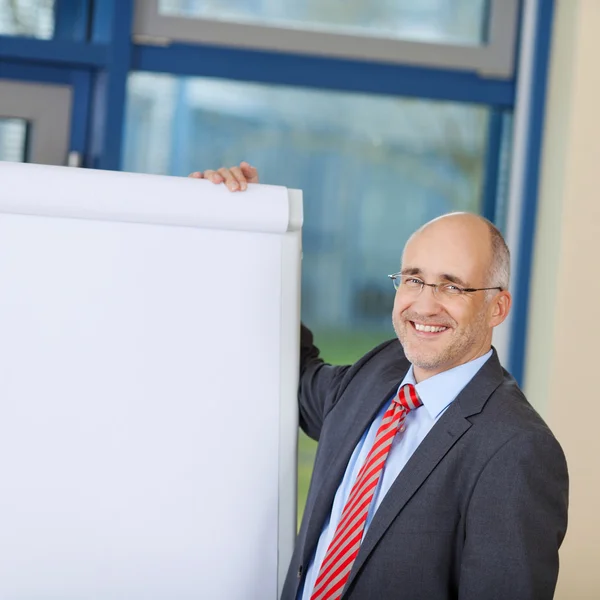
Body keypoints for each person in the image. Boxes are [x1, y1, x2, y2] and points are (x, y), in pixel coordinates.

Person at [192, 163, 569, 600]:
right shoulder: (379, 373)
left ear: (497, 308)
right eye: (413, 279)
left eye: (452, 287)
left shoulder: (518, 449)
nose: (424, 305)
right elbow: (290, 368)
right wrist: (235, 228)